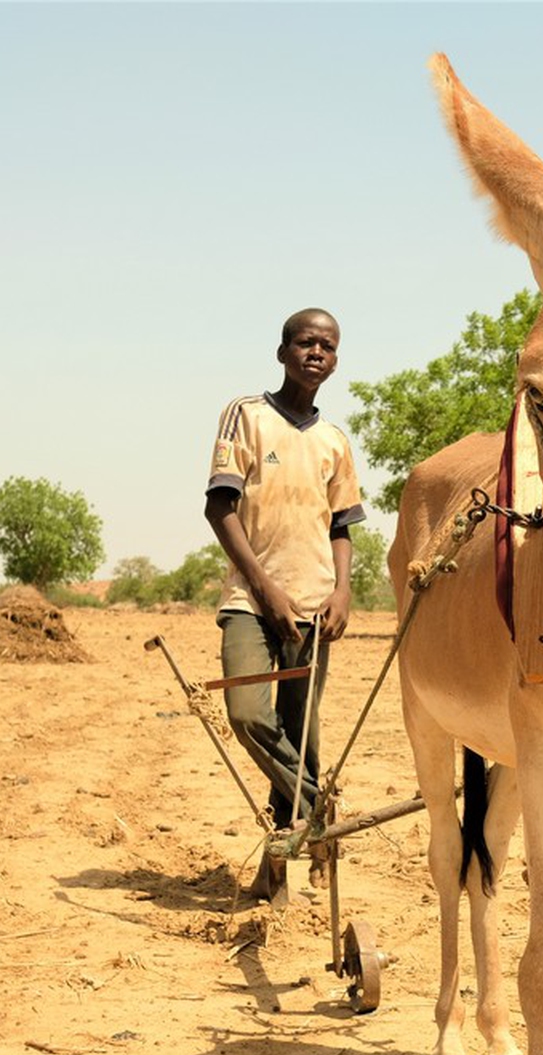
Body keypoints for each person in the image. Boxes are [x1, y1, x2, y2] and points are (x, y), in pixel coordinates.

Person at [204, 308, 366, 901]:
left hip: (315, 606)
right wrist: (265, 588)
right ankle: (315, 812)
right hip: (252, 601)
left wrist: (342, 590)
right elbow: (219, 508)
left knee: (302, 735)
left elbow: (342, 527)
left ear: (336, 360)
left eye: (327, 345)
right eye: (305, 342)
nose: (316, 352)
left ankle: (275, 870)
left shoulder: (333, 442)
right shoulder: (246, 416)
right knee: (247, 712)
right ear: (282, 352)